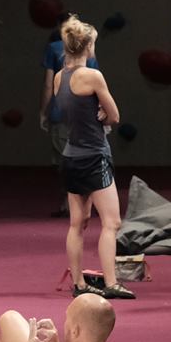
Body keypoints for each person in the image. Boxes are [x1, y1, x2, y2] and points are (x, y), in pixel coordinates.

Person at [53, 17, 135, 300]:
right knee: (111, 222)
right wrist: (102, 114)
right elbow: (115, 116)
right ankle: (111, 283)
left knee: (78, 223)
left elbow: (73, 111)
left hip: (70, 156)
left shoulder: (58, 77)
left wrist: (95, 112)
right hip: (93, 155)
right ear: (87, 45)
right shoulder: (92, 76)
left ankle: (79, 284)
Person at [39, 10, 98, 159]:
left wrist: (44, 112)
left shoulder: (53, 48)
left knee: (64, 162)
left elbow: (48, 85)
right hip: (87, 114)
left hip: (61, 111)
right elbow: (97, 86)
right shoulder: (89, 49)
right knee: (86, 161)